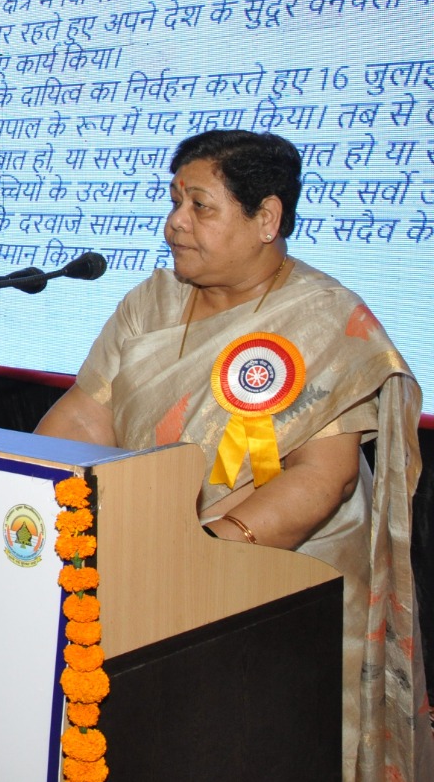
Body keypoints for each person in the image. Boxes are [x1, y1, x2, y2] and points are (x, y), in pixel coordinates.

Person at [35, 130, 432, 782]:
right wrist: (29, 492)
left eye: (199, 205)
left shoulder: (326, 318)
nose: (174, 224)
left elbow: (323, 477)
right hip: (149, 583)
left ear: (267, 218)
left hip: (281, 606)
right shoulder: (151, 302)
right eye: (173, 202)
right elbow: (86, 412)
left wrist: (208, 549)